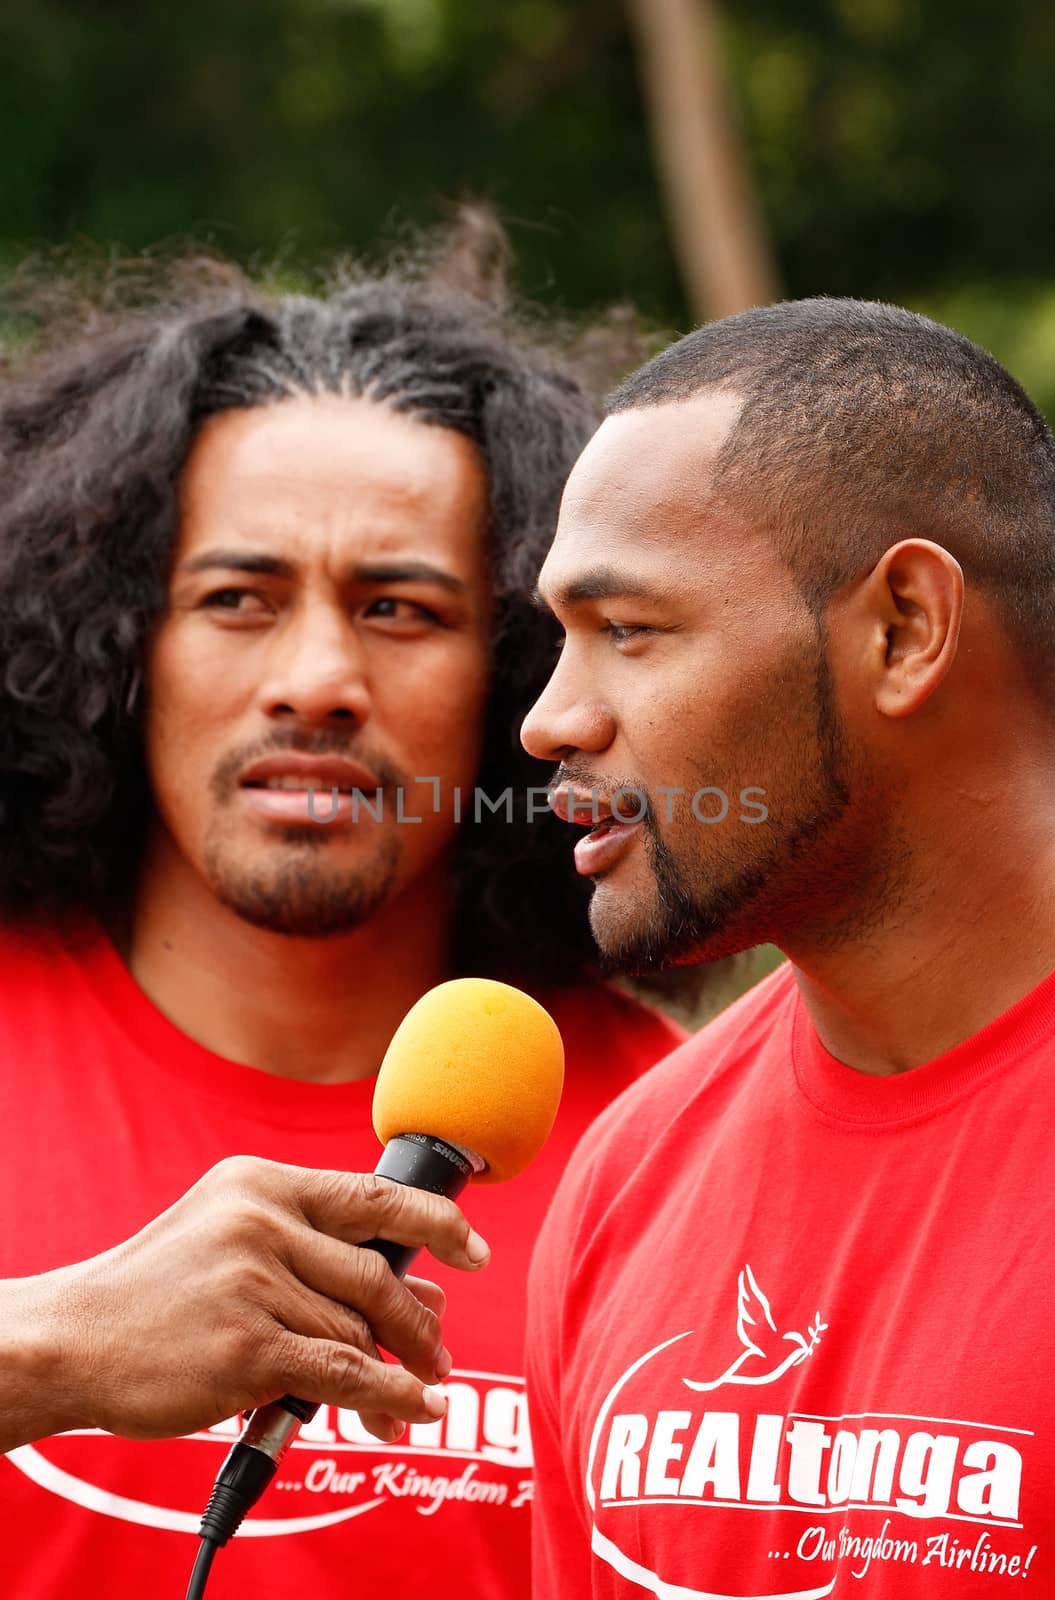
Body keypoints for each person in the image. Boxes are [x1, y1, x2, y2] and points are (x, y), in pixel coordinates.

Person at [0, 221, 686, 1599]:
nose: (316, 677)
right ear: (115, 643)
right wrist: (52, 1351)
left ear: (524, 681)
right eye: (238, 597)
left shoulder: (676, 1137)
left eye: (401, 609)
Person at [521, 298, 1055, 1597]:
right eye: (560, 639)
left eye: (631, 631)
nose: (550, 720)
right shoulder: (625, 1183)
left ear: (904, 630)